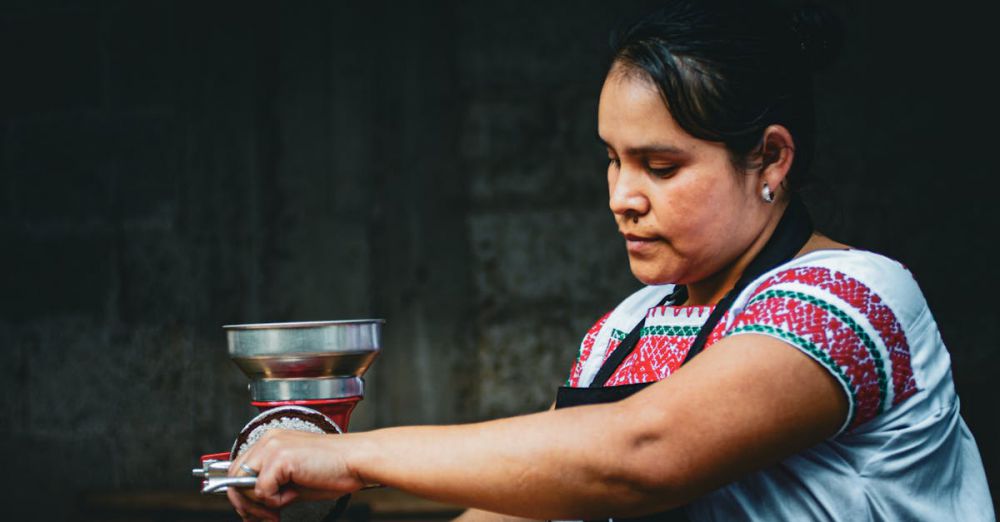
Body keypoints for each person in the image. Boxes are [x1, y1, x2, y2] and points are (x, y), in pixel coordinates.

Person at [227, 1, 995, 520]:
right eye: (612, 161)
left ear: (770, 158)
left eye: (659, 167)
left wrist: (352, 458)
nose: (621, 197)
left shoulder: (854, 299)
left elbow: (641, 453)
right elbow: (530, 502)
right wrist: (308, 486)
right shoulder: (629, 327)